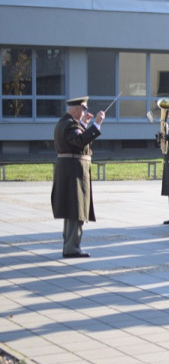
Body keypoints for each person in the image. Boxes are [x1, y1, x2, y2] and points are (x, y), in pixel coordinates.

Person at [51, 96, 105, 258]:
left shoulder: (67, 123)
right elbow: (79, 141)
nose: (84, 113)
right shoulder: (69, 125)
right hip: (74, 171)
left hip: (71, 170)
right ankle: (72, 248)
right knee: (76, 210)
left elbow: (76, 139)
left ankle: (70, 245)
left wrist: (85, 125)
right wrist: (97, 124)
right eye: (83, 110)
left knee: (72, 210)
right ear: (76, 109)